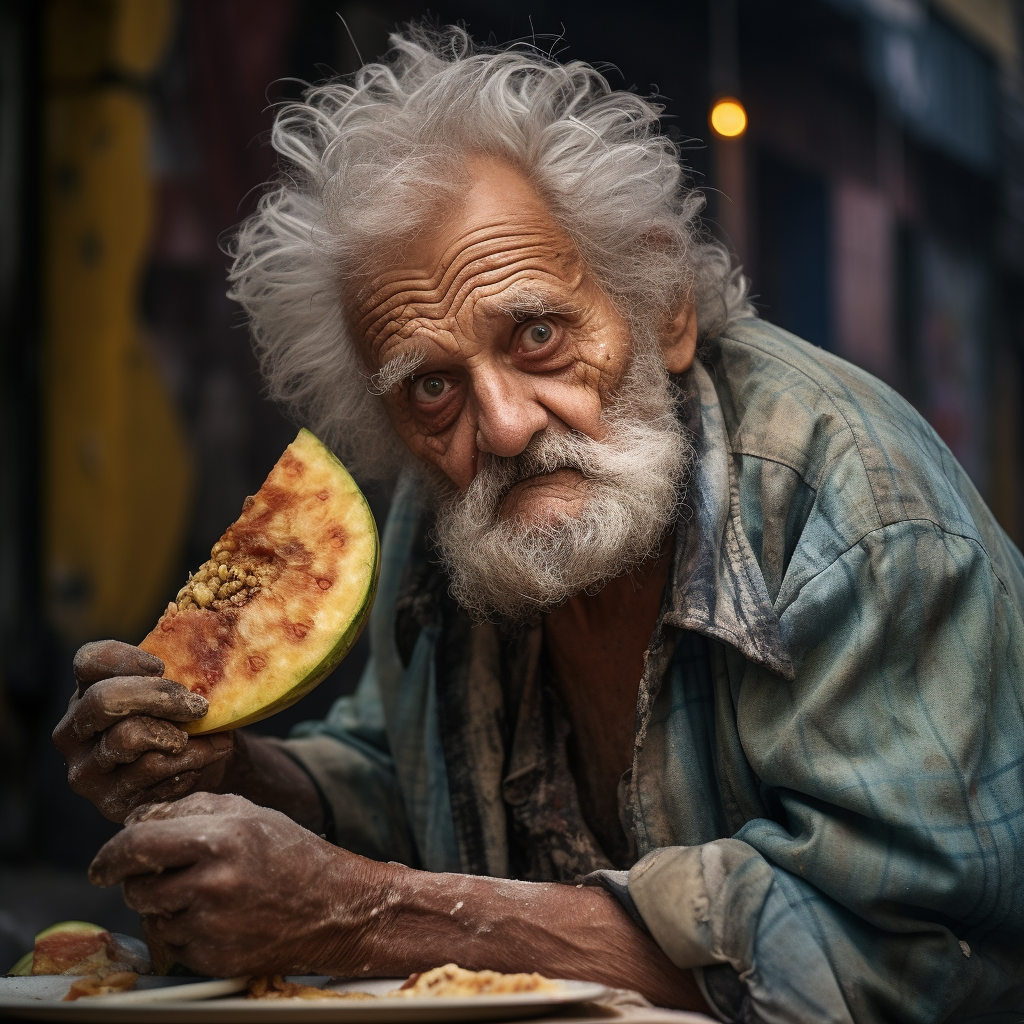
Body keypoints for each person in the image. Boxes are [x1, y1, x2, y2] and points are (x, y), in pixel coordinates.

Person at [53, 27, 1024, 1022]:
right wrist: (233, 767)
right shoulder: (446, 522)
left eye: (540, 335)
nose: (506, 425)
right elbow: (408, 774)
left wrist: (368, 914)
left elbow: (922, 961)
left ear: (663, 307)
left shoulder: (856, 517)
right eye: (430, 385)